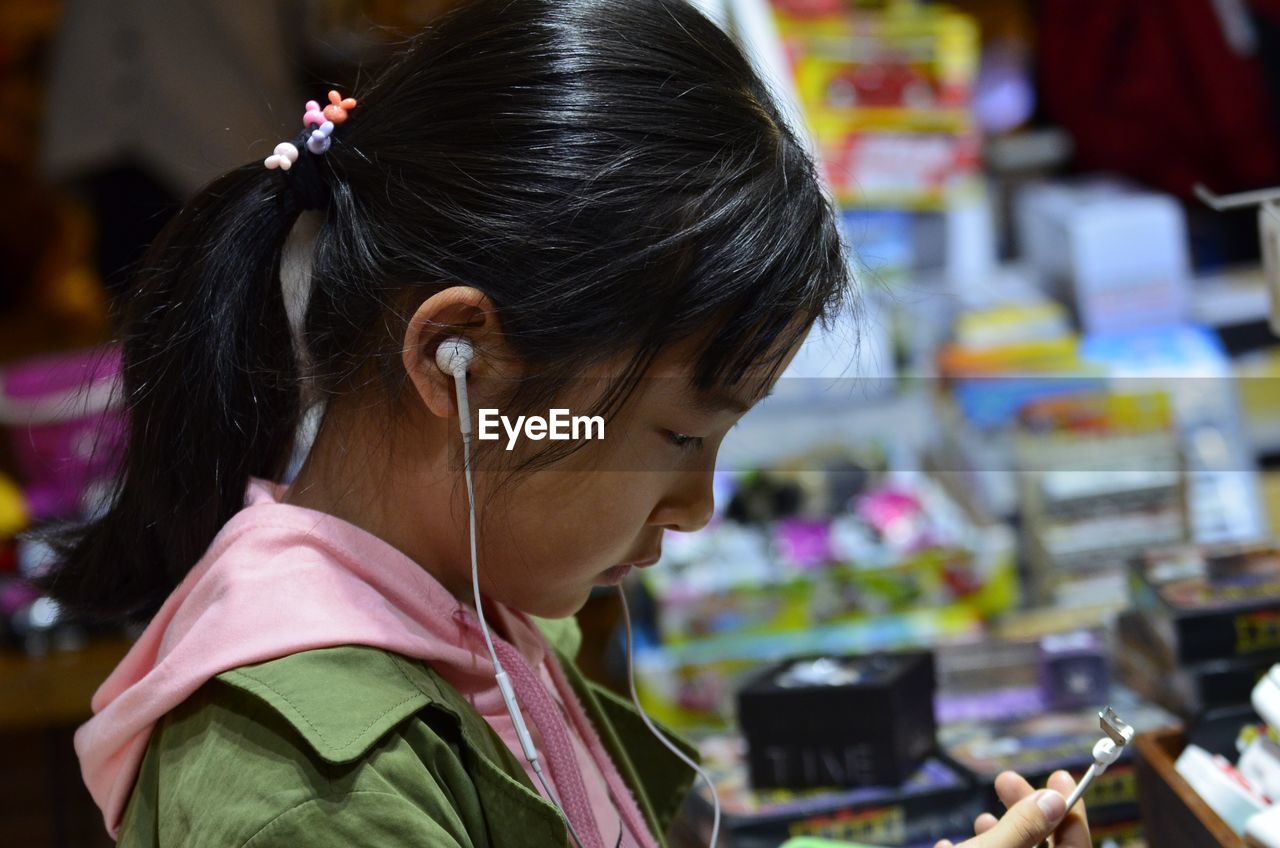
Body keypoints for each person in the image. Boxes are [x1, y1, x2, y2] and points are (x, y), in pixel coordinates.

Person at [29, 1, 1091, 846]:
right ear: (464, 363)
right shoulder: (311, 792)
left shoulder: (478, 595)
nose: (695, 506)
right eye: (676, 437)